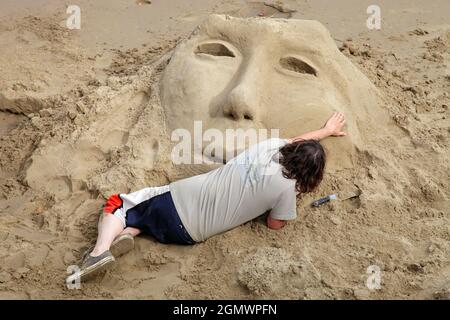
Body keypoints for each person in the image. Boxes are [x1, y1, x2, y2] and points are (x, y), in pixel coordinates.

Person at [66, 112, 346, 283]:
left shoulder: (272, 146)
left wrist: (325, 130)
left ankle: (98, 252)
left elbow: (296, 140)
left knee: (118, 202)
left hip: (176, 202)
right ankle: (129, 232)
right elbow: (275, 225)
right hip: (189, 235)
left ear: (292, 151)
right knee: (147, 217)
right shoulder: (287, 191)